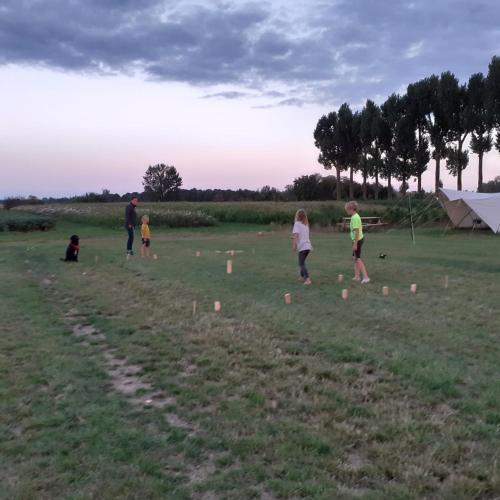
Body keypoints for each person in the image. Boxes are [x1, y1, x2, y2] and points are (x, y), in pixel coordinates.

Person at [345, 201, 370, 284]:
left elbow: (357, 231)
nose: (346, 211)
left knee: (358, 259)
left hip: (357, 240)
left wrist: (355, 243)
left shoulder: (355, 218)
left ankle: (366, 277)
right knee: (354, 258)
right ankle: (357, 276)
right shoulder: (355, 216)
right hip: (357, 240)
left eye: (347, 210)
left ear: (352, 209)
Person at [292, 209, 312, 285]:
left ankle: (307, 279)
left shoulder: (297, 224)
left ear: (297, 216)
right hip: (308, 246)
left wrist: (294, 245)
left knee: (301, 263)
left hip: (303, 246)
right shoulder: (306, 224)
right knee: (302, 261)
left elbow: (296, 235)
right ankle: (301, 276)